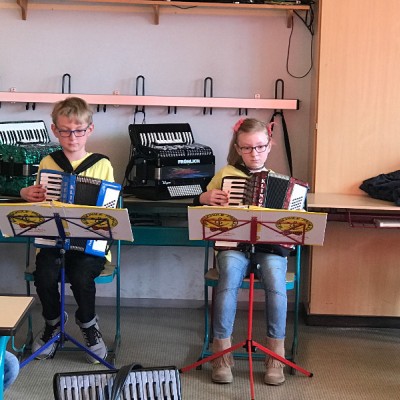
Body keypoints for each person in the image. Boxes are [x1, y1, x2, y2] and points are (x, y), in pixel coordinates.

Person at [194, 118, 290, 386]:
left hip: (269, 249)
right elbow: (203, 209)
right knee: (228, 280)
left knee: (276, 282)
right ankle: (221, 355)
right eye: (246, 148)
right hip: (233, 245)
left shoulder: (280, 182)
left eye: (260, 147)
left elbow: (291, 226)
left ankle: (276, 356)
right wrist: (204, 198)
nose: (254, 153)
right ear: (237, 148)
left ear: (269, 146)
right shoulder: (225, 175)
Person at [20, 97, 114, 363]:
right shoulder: (48, 162)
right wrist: (27, 194)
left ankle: (88, 323)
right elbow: (39, 205)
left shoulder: (102, 164)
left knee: (81, 276)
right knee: (44, 275)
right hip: (53, 241)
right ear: (54, 130)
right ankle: (53, 322)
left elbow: (110, 211)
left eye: (78, 131)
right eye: (65, 131)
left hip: (90, 245)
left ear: (89, 130)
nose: (72, 137)